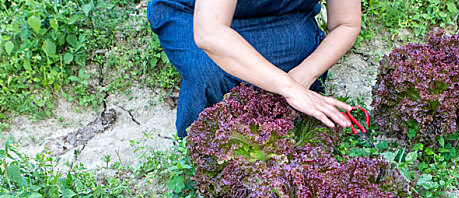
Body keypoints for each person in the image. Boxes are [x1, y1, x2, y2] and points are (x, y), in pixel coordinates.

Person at [147, 0, 361, 138]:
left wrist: (303, 75)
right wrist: (290, 87)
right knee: (211, 70)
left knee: (303, 55)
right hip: (194, 13)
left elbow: (346, 24)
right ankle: (197, 148)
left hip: (282, 17)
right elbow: (209, 34)